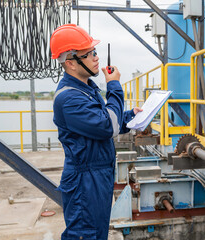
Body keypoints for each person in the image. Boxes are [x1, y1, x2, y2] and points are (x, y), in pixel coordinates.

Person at [50, 24, 142, 240]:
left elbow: (101, 121)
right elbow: (106, 127)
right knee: (85, 235)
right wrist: (114, 86)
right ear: (71, 63)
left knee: (97, 233)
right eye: (89, 53)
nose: (96, 57)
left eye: (95, 51)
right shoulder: (69, 98)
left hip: (98, 175)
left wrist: (129, 117)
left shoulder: (87, 90)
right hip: (85, 180)